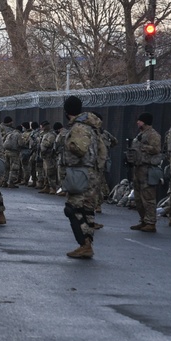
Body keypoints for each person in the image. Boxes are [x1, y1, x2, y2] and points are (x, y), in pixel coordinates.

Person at [60, 95, 102, 258]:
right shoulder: (91, 127)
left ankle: (84, 244)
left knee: (73, 209)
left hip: (80, 171)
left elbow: (79, 149)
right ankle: (87, 243)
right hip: (90, 171)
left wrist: (69, 144)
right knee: (86, 210)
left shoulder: (79, 128)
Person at [127, 112, 162, 233]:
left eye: (140, 121)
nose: (138, 122)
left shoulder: (153, 135)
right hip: (138, 168)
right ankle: (143, 220)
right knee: (138, 198)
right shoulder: (140, 135)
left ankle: (150, 222)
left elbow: (157, 149)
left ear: (146, 122)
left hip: (147, 169)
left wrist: (143, 147)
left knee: (148, 197)